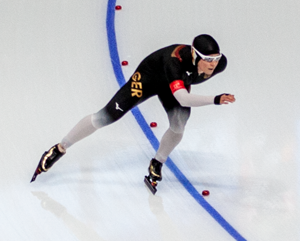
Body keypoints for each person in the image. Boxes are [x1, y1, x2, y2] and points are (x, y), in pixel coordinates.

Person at [31, 34, 235, 193]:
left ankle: (157, 162)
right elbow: (182, 98)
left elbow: (180, 96)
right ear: (194, 55)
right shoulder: (175, 62)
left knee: (179, 125)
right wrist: (215, 99)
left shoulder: (220, 65)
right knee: (106, 116)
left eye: (215, 59)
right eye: (208, 59)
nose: (212, 64)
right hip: (149, 78)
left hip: (173, 85)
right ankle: (59, 148)